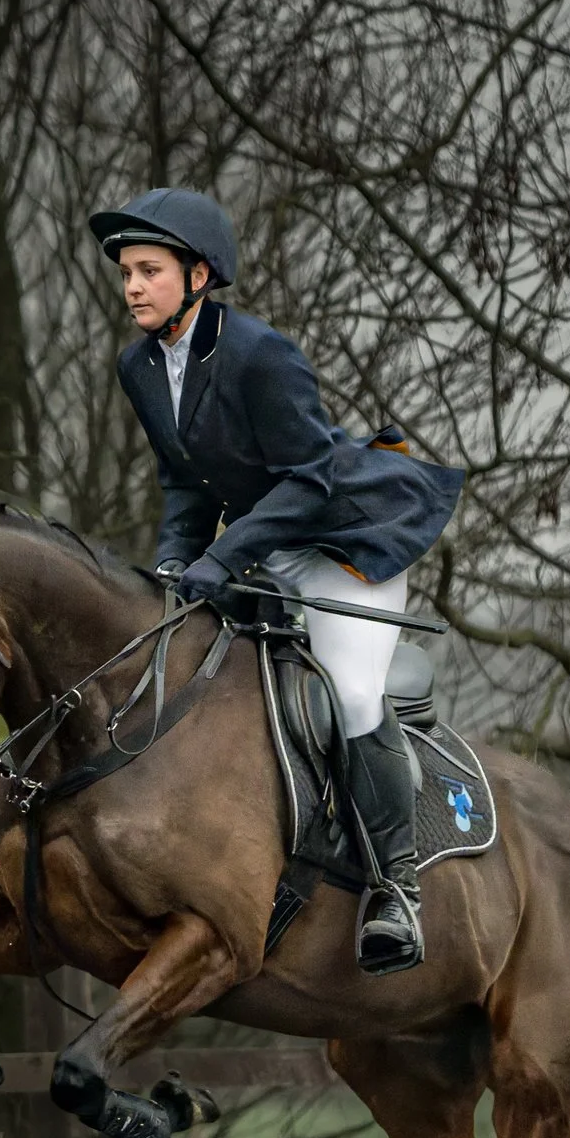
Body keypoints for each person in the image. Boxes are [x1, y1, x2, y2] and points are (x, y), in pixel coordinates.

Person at [92, 188, 464, 974]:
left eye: (149, 270)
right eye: (127, 272)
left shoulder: (260, 353)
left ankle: (396, 890)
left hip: (343, 541)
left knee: (351, 693)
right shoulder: (140, 365)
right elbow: (186, 485)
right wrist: (173, 560)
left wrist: (221, 560)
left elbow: (311, 480)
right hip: (261, 550)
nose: (132, 287)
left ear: (198, 275)